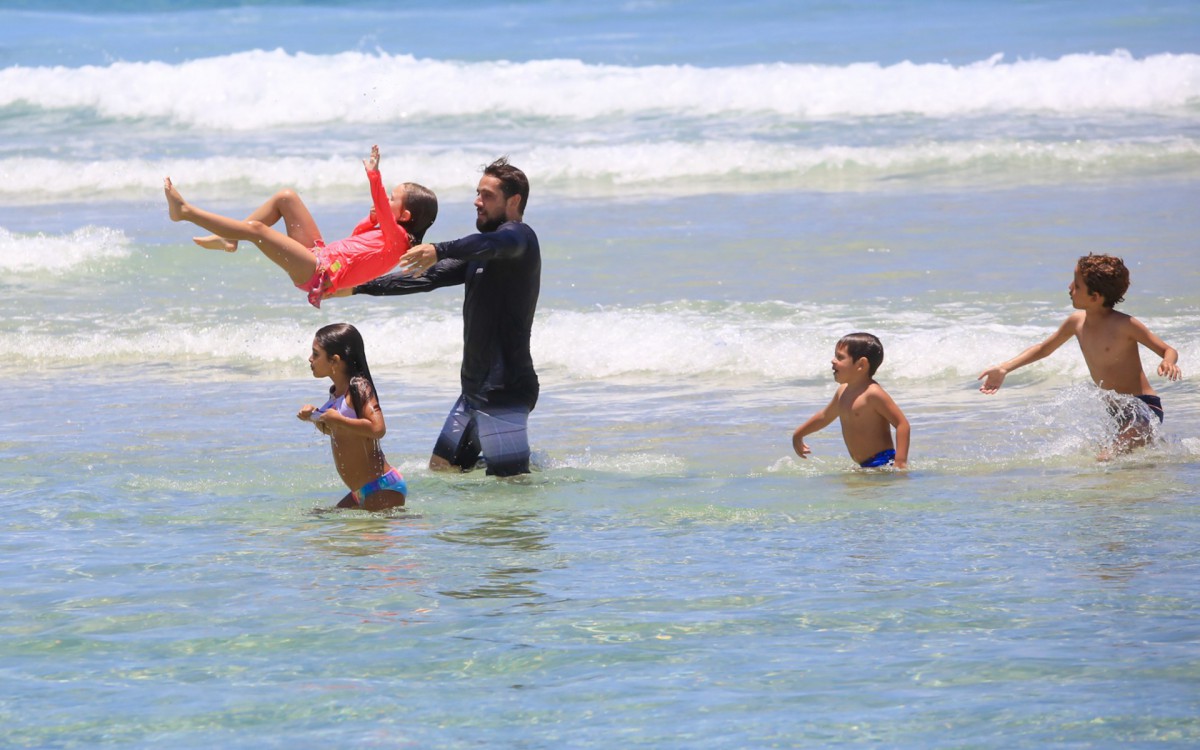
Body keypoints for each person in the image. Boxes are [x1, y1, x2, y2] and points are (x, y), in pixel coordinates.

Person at [348, 157, 540, 477]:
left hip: (505, 390)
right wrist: (356, 288)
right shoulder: (480, 254)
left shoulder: (519, 239)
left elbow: (492, 242)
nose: (477, 201)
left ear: (514, 201)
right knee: (443, 470)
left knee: (511, 489)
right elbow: (426, 278)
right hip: (474, 391)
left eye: (487, 195)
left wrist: (439, 248)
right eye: (477, 193)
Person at [164, 145, 437, 308]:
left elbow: (382, 215)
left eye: (392, 199)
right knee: (286, 198)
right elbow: (356, 239)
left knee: (258, 232)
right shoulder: (388, 233)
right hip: (319, 255)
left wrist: (374, 176)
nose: (385, 200)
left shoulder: (400, 240)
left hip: (319, 273)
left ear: (405, 215)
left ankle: (186, 212)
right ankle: (230, 240)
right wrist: (373, 220)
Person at [978, 253, 1181, 454]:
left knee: (1107, 458)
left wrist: (1168, 362)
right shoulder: (1076, 322)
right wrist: (1004, 368)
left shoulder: (1125, 325)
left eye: (1076, 285)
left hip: (1142, 407)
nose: (1069, 287)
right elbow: (1043, 349)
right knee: (1114, 458)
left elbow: (1168, 350)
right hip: (1114, 410)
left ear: (1094, 297)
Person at [298, 323, 407, 511]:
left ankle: (417, 525)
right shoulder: (336, 393)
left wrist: (337, 419)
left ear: (334, 361)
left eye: (316, 354)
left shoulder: (359, 388)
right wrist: (315, 416)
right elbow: (337, 431)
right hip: (361, 492)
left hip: (382, 487)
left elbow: (377, 429)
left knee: (366, 538)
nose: (310, 359)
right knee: (322, 519)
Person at [792, 332, 911, 469]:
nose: (833, 360)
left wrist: (900, 462)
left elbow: (902, 424)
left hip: (883, 462)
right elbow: (824, 416)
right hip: (865, 466)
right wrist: (799, 434)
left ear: (861, 364)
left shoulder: (872, 394)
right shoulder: (842, 391)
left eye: (840, 357)